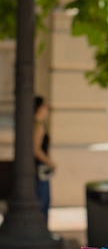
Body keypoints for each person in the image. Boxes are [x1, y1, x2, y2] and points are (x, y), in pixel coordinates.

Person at [34, 95, 56, 225]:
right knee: (43, 202)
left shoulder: (35, 125)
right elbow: (36, 150)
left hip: (37, 170)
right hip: (40, 171)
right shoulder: (38, 126)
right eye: (44, 106)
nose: (46, 109)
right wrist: (51, 163)